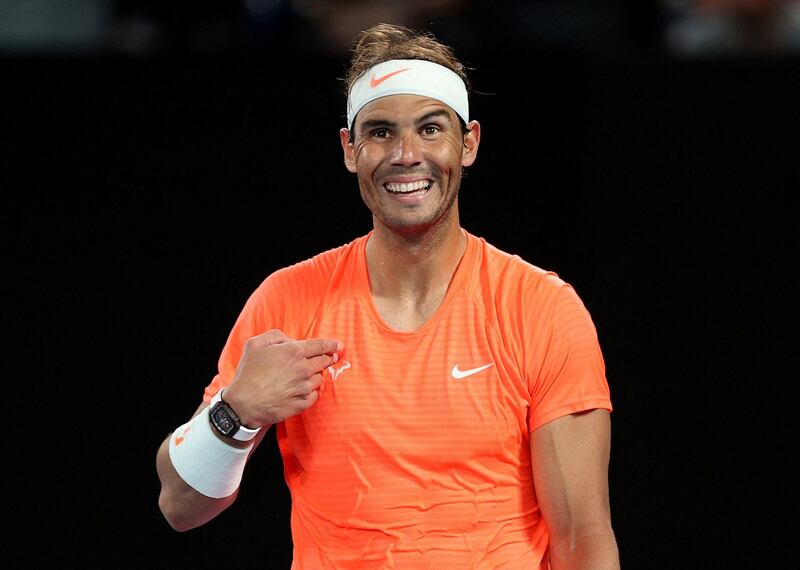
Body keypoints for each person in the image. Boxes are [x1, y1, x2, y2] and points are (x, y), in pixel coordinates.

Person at [156, 22, 620, 569]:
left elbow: (581, 540)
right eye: (379, 132)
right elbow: (181, 506)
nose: (405, 154)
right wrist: (235, 412)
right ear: (350, 150)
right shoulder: (288, 300)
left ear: (468, 143)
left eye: (429, 129)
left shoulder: (541, 309)